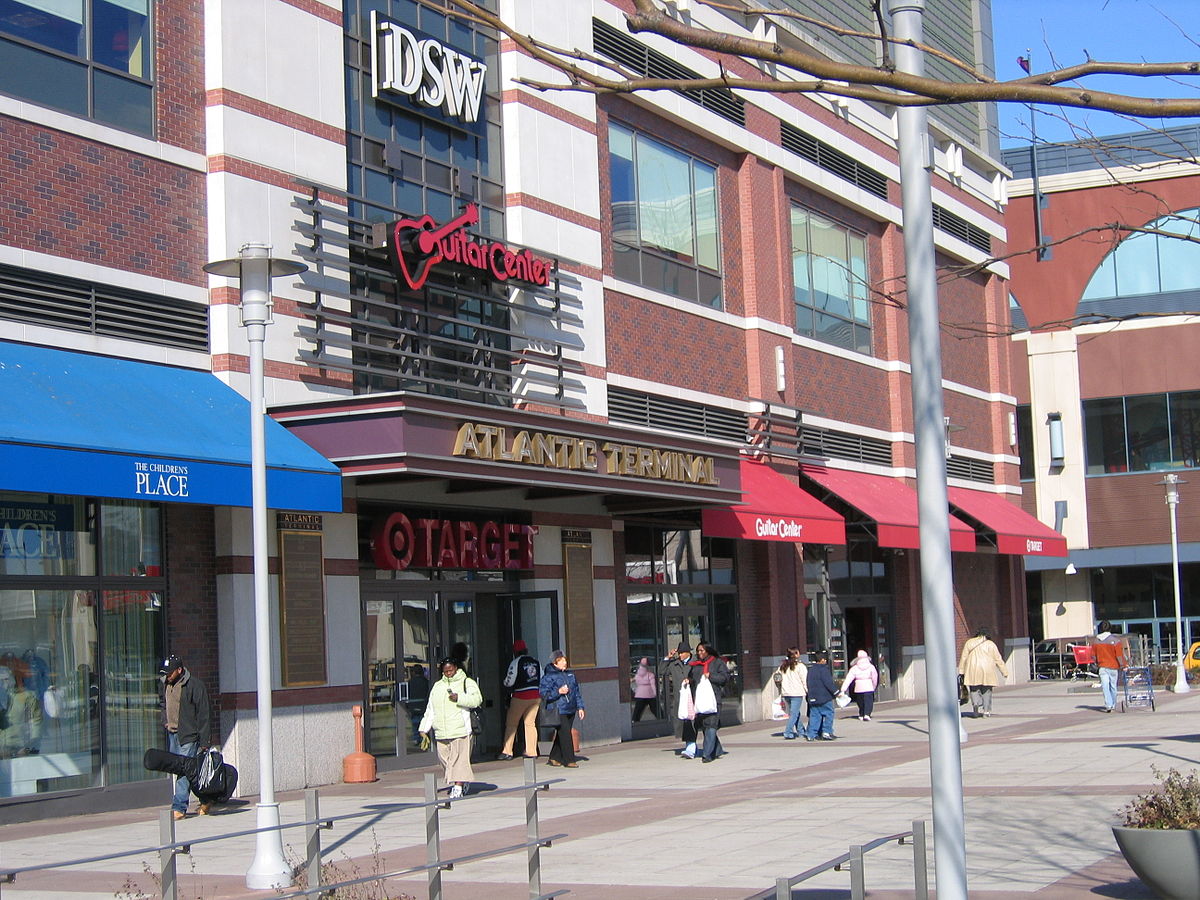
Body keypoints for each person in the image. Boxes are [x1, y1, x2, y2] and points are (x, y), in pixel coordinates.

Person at [418, 657, 482, 799]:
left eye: (450, 670)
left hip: (460, 730)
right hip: (441, 731)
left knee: (459, 760)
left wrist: (459, 698)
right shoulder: (437, 686)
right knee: (445, 760)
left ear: (456, 668)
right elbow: (430, 709)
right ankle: (461, 781)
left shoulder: (467, 682)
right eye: (445, 671)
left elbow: (477, 700)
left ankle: (458, 787)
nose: (448, 673)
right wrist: (424, 729)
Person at [159, 653, 211, 819]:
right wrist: (165, 721)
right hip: (172, 733)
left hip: (188, 736)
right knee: (189, 772)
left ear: (179, 670)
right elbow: (162, 704)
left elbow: (204, 714)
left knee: (183, 771)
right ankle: (206, 799)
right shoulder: (165, 684)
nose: (167, 676)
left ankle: (179, 808)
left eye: (170, 673)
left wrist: (204, 741)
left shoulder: (194, 686)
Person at [539, 651, 585, 767]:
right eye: (562, 660)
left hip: (571, 707)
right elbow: (544, 694)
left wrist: (580, 707)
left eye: (565, 660)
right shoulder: (548, 677)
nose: (565, 662)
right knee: (565, 734)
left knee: (562, 734)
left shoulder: (570, 675)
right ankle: (569, 759)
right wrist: (558, 692)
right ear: (556, 662)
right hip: (558, 709)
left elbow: (576, 692)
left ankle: (554, 757)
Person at [498, 640, 542, 760]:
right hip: (536, 696)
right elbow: (541, 677)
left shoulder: (516, 662)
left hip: (520, 696)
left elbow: (509, 681)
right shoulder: (535, 661)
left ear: (515, 651)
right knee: (530, 724)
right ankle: (531, 751)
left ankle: (507, 751)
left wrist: (504, 684)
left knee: (512, 724)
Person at [686, 641, 729, 763]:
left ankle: (707, 754)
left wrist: (711, 676)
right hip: (700, 701)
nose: (699, 653)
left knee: (711, 725)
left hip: (714, 700)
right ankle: (717, 750)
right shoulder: (696, 665)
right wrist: (688, 680)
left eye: (702, 651)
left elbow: (725, 678)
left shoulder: (717, 663)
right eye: (698, 651)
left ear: (708, 651)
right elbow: (692, 678)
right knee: (705, 726)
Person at [958, 628, 1009, 718]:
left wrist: (961, 671)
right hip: (987, 669)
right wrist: (1004, 671)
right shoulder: (991, 644)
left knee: (974, 689)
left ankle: (976, 707)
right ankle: (986, 711)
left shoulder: (969, 642)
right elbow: (998, 659)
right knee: (987, 691)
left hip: (973, 668)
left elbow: (964, 657)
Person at [659, 642, 698, 758]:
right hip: (680, 699)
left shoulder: (695, 663)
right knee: (684, 723)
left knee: (693, 723)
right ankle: (690, 747)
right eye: (679, 653)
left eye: (683, 653)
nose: (680, 655)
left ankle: (692, 748)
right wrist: (667, 658)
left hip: (694, 698)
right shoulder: (674, 664)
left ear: (688, 653)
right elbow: (662, 671)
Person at [1092, 620, 1127, 713]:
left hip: (1102, 666)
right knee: (1113, 686)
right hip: (1113, 666)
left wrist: (1096, 663)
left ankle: (1108, 705)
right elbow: (1119, 655)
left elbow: (1093, 656)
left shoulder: (1096, 641)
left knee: (1105, 686)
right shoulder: (1116, 641)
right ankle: (1113, 705)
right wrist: (1123, 665)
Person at [804, 649, 838, 741]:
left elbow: (808, 683)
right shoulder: (823, 669)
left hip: (813, 697)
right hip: (824, 697)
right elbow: (828, 683)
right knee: (829, 713)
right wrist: (836, 692)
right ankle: (826, 731)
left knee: (815, 716)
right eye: (825, 659)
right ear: (822, 660)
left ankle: (811, 734)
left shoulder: (810, 670)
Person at [775, 647, 808, 739]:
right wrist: (807, 690)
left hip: (786, 693)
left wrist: (780, 689)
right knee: (794, 713)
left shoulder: (783, 666)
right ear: (796, 654)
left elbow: (777, 678)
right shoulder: (800, 666)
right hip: (797, 693)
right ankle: (788, 731)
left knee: (795, 713)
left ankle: (801, 731)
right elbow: (804, 680)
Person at [841, 650, 879, 721]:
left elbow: (848, 679)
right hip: (868, 686)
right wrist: (874, 686)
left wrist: (843, 689)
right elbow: (875, 677)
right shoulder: (871, 667)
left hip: (858, 687)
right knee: (868, 701)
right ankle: (867, 714)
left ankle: (861, 713)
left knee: (860, 701)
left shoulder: (854, 668)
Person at [632, 657, 658, 721]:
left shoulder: (637, 675)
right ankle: (662, 718)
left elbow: (637, 683)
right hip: (649, 694)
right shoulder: (650, 674)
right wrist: (655, 693)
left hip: (639, 694)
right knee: (656, 709)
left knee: (638, 710)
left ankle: (634, 721)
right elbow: (653, 685)